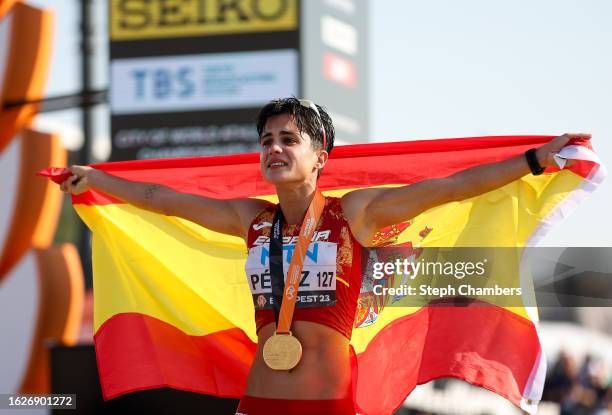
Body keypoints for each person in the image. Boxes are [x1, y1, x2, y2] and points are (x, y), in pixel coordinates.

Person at [60, 97, 587, 415]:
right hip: (259, 401)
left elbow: (451, 187)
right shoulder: (252, 219)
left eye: (290, 138)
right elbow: (164, 201)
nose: (274, 148)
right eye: (266, 139)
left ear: (321, 156)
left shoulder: (354, 212)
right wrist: (99, 180)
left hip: (328, 405)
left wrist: (534, 161)